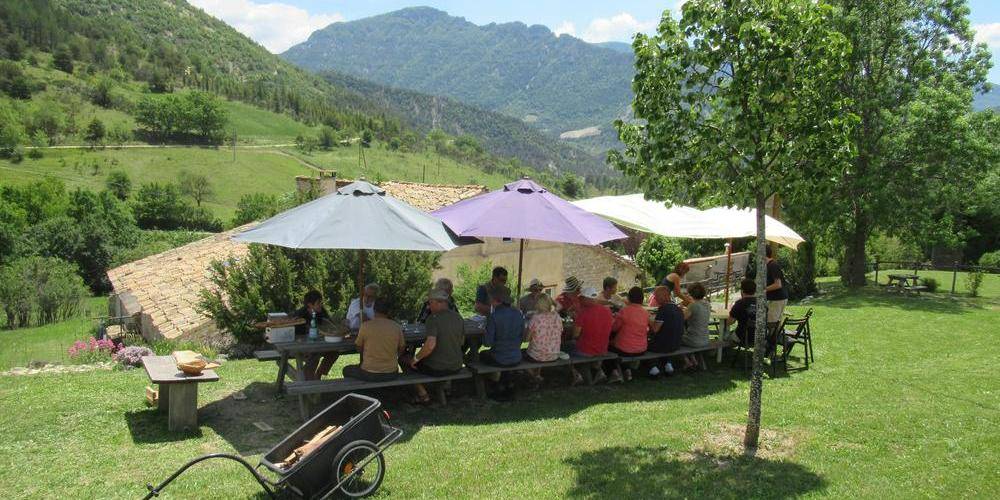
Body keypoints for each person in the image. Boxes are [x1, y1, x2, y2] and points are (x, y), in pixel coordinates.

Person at [401, 288, 466, 404]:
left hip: (437, 368)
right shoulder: (458, 318)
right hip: (457, 366)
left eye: (430, 303)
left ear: (439, 302)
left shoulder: (433, 319)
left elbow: (430, 345)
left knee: (403, 359)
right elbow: (462, 341)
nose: (428, 307)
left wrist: (415, 359)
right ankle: (446, 388)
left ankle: (423, 394)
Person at [343, 299, 404, 382]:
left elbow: (358, 348)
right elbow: (402, 347)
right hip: (391, 373)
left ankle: (360, 392)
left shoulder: (365, 326)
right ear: (389, 311)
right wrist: (395, 356)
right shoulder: (397, 327)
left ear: (374, 309)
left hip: (369, 373)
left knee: (346, 370)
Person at [571, 287, 616, 383]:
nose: (580, 300)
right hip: (602, 348)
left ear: (586, 299)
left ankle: (576, 374)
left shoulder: (583, 312)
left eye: (581, 298)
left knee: (566, 347)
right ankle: (597, 370)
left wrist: (575, 320)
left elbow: (575, 334)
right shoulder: (607, 311)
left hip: (586, 350)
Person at [292, 290, 337, 380]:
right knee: (314, 356)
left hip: (319, 345)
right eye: (318, 303)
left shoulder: (321, 311)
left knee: (334, 352)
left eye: (321, 302)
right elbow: (295, 336)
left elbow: (331, 326)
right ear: (310, 305)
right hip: (300, 347)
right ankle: (309, 381)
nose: (321, 305)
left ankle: (318, 375)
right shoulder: (300, 315)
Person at [609, 287, 649, 381]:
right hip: (641, 349)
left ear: (629, 298)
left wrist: (614, 318)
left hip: (624, 349)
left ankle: (614, 371)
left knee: (607, 348)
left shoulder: (624, 311)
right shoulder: (646, 312)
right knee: (622, 347)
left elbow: (614, 328)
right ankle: (627, 370)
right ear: (642, 298)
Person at [647, 286, 688, 377]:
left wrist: (648, 318)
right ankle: (668, 365)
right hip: (676, 344)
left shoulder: (663, 309)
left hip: (663, 346)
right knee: (665, 339)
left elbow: (655, 329)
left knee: (643, 344)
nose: (656, 299)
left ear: (665, 296)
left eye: (657, 296)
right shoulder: (679, 309)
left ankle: (654, 369)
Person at [480, 287, 524, 367]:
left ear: (496, 300)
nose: (490, 301)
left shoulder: (494, 316)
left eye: (491, 299)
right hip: (516, 358)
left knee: (480, 355)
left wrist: (484, 331)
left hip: (499, 359)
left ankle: (489, 379)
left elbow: (487, 343)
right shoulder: (519, 314)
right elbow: (522, 337)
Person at [680, 282, 711, 371]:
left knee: (675, 339)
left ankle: (687, 361)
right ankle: (694, 360)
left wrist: (680, 307)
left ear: (691, 294)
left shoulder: (693, 305)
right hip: (705, 339)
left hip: (694, 340)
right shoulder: (707, 304)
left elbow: (682, 318)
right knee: (686, 336)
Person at [525, 294, 562, 363]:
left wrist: (522, 348)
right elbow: (560, 306)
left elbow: (527, 339)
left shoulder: (536, 318)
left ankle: (534, 373)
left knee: (524, 352)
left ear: (537, 303)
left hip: (536, 356)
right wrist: (551, 301)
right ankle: (537, 372)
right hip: (554, 356)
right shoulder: (557, 316)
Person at [729, 278, 764, 347]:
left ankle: (721, 352)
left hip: (743, 337)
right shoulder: (762, 303)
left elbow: (730, 322)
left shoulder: (740, 303)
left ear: (742, 291)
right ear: (755, 290)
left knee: (726, 335)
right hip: (761, 336)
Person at [765, 246, 788, 325]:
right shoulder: (769, 265)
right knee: (776, 323)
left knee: (772, 323)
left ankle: (774, 337)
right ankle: (777, 337)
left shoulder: (772, 265)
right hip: (778, 298)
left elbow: (778, 284)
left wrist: (763, 290)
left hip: (777, 298)